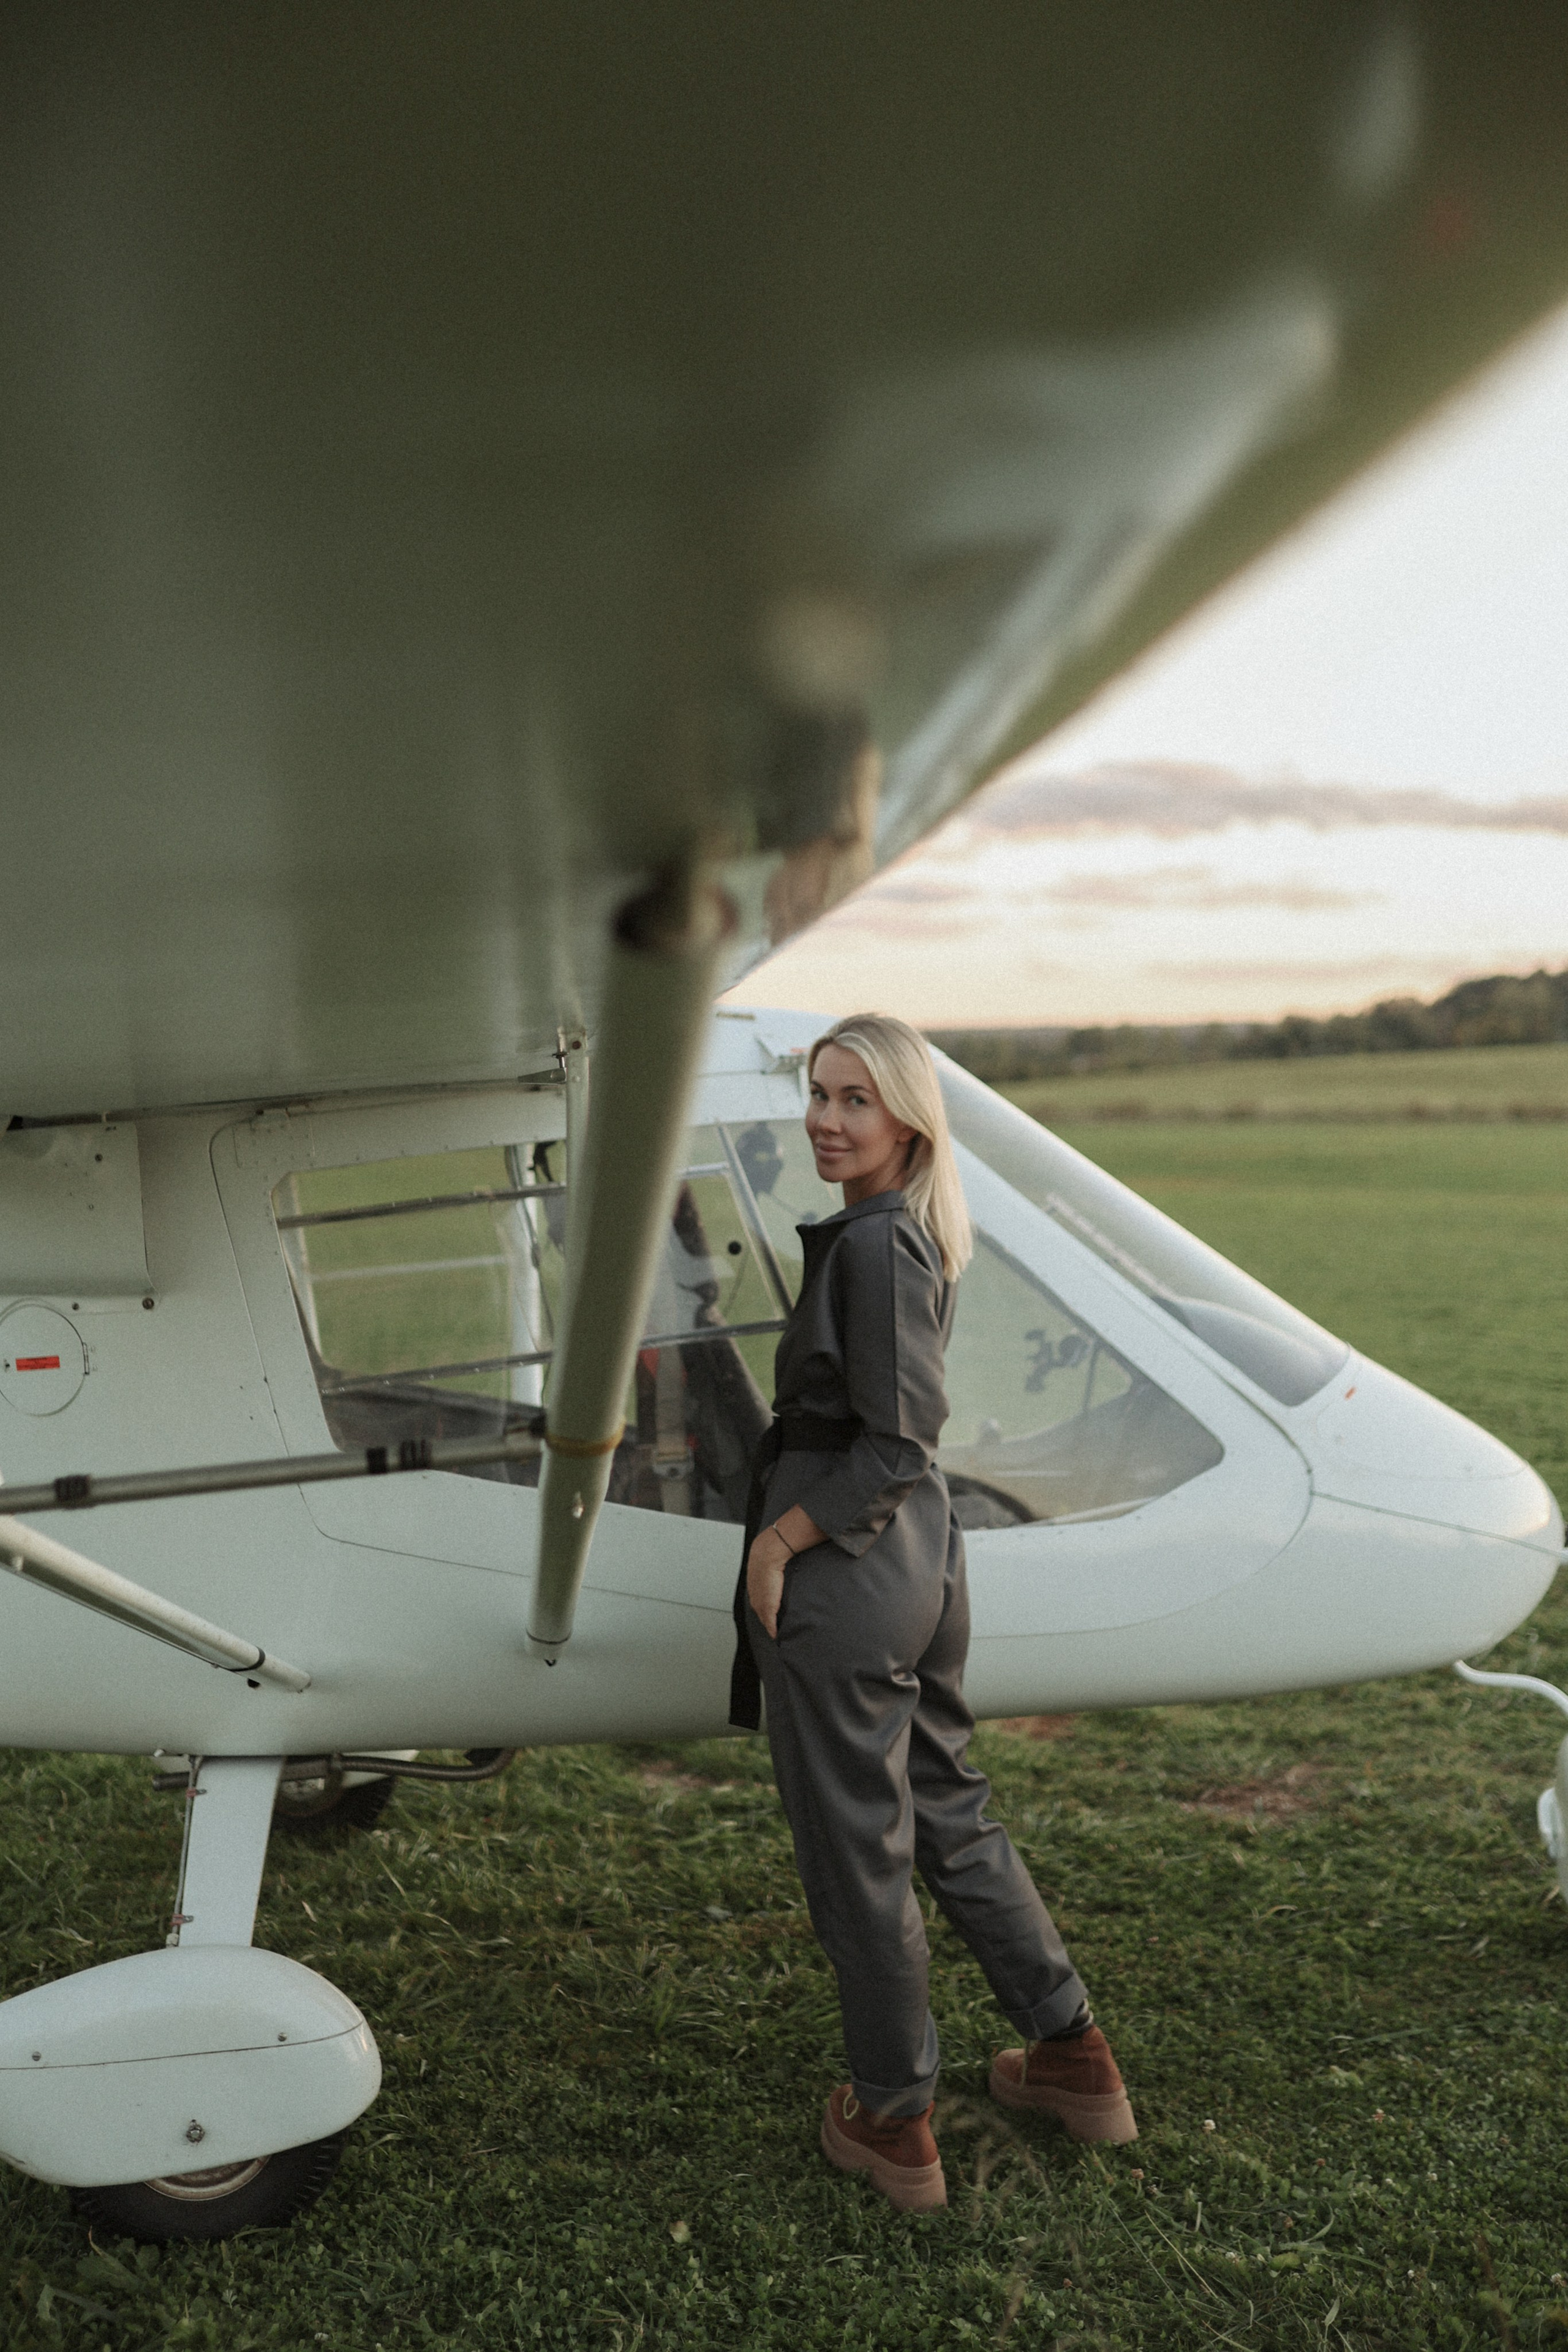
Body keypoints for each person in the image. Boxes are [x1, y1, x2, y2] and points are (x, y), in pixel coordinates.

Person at [729, 1012, 1136, 2214]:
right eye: (817, 1092)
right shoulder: (904, 1236)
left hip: (851, 1569)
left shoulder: (871, 1247)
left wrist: (781, 1539)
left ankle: (892, 2120)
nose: (823, 1117)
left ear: (907, 1117)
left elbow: (899, 1439)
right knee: (947, 1816)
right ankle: (1071, 2060)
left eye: (854, 1099)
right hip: (919, 1566)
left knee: (862, 1855)